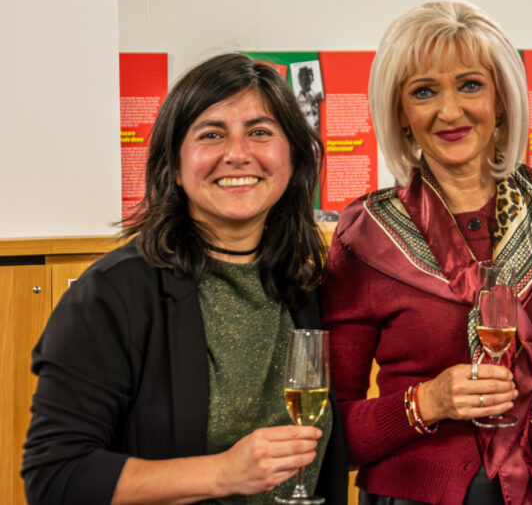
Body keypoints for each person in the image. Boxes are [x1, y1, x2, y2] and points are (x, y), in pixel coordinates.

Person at [22, 53, 347, 504]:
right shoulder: (111, 295)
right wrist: (222, 473)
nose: (238, 154)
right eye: (211, 134)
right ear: (174, 166)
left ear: (292, 158)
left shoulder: (304, 286)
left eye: (260, 132)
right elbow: (56, 477)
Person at [322, 0, 532, 505]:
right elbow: (329, 431)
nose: (450, 111)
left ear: (501, 99)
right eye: (424, 91)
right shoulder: (364, 235)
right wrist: (427, 402)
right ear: (401, 115)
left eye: (470, 85)